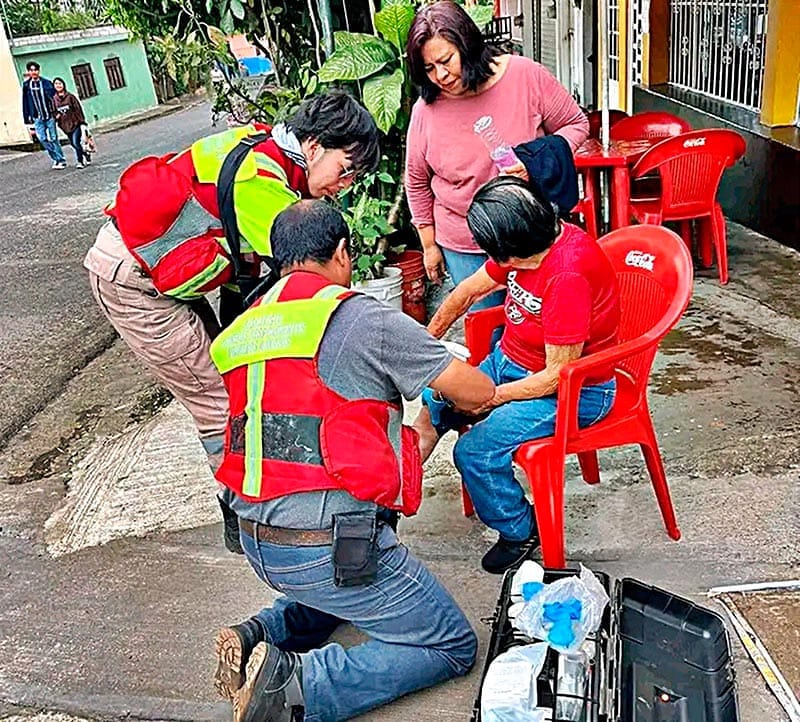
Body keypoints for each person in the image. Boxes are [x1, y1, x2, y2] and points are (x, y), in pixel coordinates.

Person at [209, 200, 495, 722]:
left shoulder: (245, 325)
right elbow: (475, 391)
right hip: (327, 551)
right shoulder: (359, 317)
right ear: (342, 253)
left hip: (254, 538)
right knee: (449, 644)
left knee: (343, 587)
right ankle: (295, 689)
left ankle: (262, 635)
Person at [83, 91, 379, 553]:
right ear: (316, 145)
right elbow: (319, 282)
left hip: (166, 273)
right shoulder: (264, 186)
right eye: (346, 170)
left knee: (238, 381)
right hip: (134, 284)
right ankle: (243, 513)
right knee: (220, 401)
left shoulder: (266, 149)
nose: (346, 184)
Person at [413, 177, 620, 574]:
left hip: (576, 390)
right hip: (509, 360)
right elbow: (468, 293)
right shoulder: (527, 242)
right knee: (434, 403)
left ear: (511, 253)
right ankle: (386, 504)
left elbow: (556, 376)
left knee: (474, 451)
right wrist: (422, 344)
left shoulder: (566, 276)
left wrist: (489, 399)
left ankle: (521, 528)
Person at [404, 0, 589, 308]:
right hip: (465, 244)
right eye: (429, 68)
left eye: (447, 60)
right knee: (487, 333)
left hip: (531, 237)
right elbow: (416, 180)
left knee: (539, 330)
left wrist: (533, 162)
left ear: (468, 45)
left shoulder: (525, 76)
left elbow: (576, 124)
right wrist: (428, 245)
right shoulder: (426, 111)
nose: (441, 75)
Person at [21, 61, 67, 169]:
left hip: (49, 116)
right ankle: (56, 157)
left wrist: (57, 112)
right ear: (28, 72)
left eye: (35, 70)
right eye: (31, 70)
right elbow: (25, 102)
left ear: (38, 71)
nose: (34, 72)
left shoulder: (46, 83)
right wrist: (27, 119)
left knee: (54, 138)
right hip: (37, 117)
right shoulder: (27, 85)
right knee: (42, 138)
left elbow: (55, 99)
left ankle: (61, 160)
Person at [52, 77, 88, 168]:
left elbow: (78, 109)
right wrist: (57, 117)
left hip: (75, 123)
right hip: (64, 125)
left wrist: (82, 122)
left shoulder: (70, 97)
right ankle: (85, 154)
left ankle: (80, 162)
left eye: (60, 83)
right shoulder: (54, 99)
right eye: (56, 84)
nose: (58, 85)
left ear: (63, 85)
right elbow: (53, 111)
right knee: (73, 144)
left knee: (76, 142)